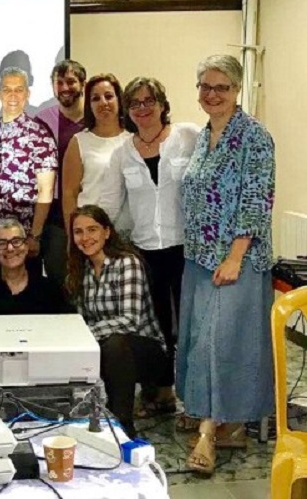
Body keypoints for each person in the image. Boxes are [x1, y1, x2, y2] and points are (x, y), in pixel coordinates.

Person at [178, 55, 275, 476]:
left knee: (220, 345)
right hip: (199, 256)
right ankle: (226, 421)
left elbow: (256, 200)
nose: (211, 94)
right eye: (205, 87)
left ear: (237, 90)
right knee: (201, 340)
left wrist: (235, 257)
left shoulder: (254, 136)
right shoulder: (204, 135)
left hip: (236, 259)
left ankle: (206, 433)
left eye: (221, 87)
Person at [98, 77, 199, 420]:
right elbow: (111, 203)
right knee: (156, 326)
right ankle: (162, 391)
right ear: (128, 111)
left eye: (148, 101)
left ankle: (197, 402)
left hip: (187, 250)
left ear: (161, 103)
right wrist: (91, 238)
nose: (142, 109)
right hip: (145, 253)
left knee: (190, 325)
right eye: (135, 103)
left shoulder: (188, 136)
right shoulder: (122, 152)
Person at [66, 205, 167, 439]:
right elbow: (83, 320)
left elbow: (130, 321)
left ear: (107, 232)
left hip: (146, 350)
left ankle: (124, 425)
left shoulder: (127, 263)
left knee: (114, 344)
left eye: (92, 230)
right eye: (78, 232)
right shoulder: (79, 270)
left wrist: (86, 334)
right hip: (106, 345)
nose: (85, 237)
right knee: (99, 346)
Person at [0, 67, 57, 278]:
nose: (13, 95)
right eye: (7, 89)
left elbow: (46, 189)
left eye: (19, 89)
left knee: (24, 297)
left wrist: (35, 235)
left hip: (22, 236)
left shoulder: (40, 134)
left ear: (27, 94)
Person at [35, 60, 87, 292]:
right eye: (59, 82)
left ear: (83, 84)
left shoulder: (97, 117)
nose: (65, 87)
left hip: (94, 208)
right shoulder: (41, 121)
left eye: (71, 81)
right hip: (55, 218)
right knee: (62, 282)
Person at [61, 73, 132, 235]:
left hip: (128, 235)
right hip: (90, 235)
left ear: (119, 101)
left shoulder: (134, 140)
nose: (103, 103)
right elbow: (69, 195)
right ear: (89, 105)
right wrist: (72, 237)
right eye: (95, 98)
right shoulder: (79, 142)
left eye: (109, 96)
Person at [0, 218, 70, 315]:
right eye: (2, 243)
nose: (10, 248)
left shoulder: (49, 289)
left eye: (16, 241)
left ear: (26, 247)